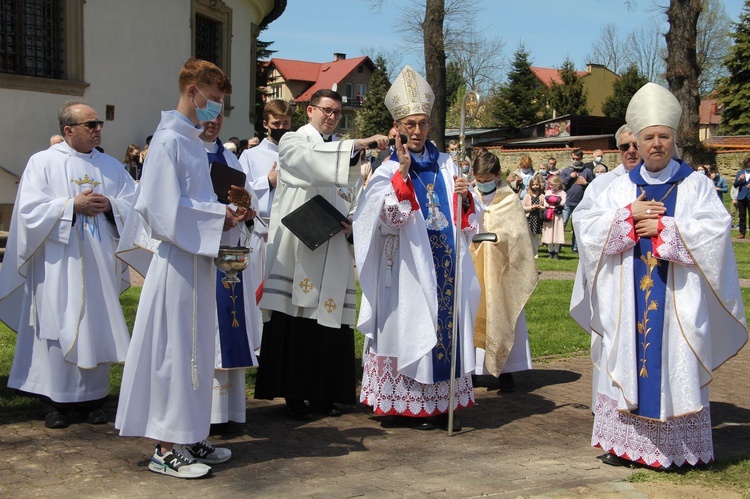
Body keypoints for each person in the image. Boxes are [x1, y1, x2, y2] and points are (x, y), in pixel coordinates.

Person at [574, 82, 747, 470]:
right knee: (624, 357)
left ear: (673, 138)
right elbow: (584, 226)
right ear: (637, 139)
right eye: (648, 137)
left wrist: (666, 230)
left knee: (674, 361)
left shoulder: (696, 185)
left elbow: (716, 233)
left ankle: (673, 450)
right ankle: (624, 445)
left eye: (663, 137)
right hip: (625, 296)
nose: (655, 144)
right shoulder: (617, 186)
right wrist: (627, 219)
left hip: (677, 301)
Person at [115, 58, 251, 479]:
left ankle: (191, 433)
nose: (215, 110)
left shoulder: (191, 141)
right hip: (177, 264)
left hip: (200, 260)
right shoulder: (168, 141)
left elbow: (194, 201)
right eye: (212, 100)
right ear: (192, 91)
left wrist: (227, 213)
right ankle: (164, 446)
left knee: (198, 351)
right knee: (176, 352)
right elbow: (158, 209)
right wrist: (217, 217)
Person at [353, 65, 478, 431]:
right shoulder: (385, 169)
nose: (418, 131)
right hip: (404, 268)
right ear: (397, 127)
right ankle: (402, 404)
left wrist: (465, 198)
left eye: (423, 123)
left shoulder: (447, 164)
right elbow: (385, 219)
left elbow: (468, 218)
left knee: (442, 326)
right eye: (410, 124)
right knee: (407, 326)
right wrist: (403, 179)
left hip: (446, 264)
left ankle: (437, 403)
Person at [254, 88, 389, 420]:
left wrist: (353, 224)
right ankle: (294, 393)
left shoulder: (341, 154)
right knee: (297, 320)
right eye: (326, 110)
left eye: (337, 113)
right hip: (298, 247)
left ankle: (323, 392)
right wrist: (359, 143)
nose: (331, 117)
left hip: (332, 246)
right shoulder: (293, 142)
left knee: (328, 323)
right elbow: (311, 163)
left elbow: (354, 196)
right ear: (310, 111)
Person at [0, 101, 136, 429]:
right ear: (68, 131)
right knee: (55, 323)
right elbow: (28, 213)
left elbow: (136, 205)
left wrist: (112, 206)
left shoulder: (112, 166)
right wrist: (70, 206)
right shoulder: (42, 163)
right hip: (57, 262)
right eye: (90, 125)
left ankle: (95, 399)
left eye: (99, 123)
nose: (98, 129)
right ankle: (54, 402)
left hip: (99, 261)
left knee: (96, 323)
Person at [570, 124, 641, 409]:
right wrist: (626, 218)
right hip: (612, 277)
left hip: (649, 277)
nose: (632, 151)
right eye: (625, 147)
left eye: (636, 145)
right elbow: (582, 224)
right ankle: (607, 410)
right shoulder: (603, 183)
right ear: (617, 149)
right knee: (610, 342)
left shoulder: (661, 181)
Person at [199, 112, 261, 428]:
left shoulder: (232, 161)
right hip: (198, 259)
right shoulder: (185, 155)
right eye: (208, 117)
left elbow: (244, 201)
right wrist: (215, 215)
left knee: (229, 325)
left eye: (220, 117)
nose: (214, 123)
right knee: (204, 331)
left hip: (229, 255)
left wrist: (247, 212)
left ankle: (227, 412)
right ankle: (201, 414)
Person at [470, 151, 535, 394]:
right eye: (479, 178)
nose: (482, 182)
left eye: (487, 178)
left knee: (503, 312)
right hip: (474, 264)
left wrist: (499, 240)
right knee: (472, 314)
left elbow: (518, 235)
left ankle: (506, 370)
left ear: (498, 175)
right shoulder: (469, 197)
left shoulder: (509, 200)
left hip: (501, 269)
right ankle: (474, 370)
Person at [238, 99, 293, 299]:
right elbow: (239, 194)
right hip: (260, 233)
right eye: (276, 124)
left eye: (286, 124)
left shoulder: (297, 154)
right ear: (265, 124)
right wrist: (267, 182)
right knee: (256, 294)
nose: (281, 128)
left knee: (283, 294)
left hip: (289, 233)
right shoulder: (250, 156)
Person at [560, 148, 594, 253]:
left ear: (581, 158)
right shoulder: (566, 170)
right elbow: (560, 185)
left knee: (577, 226)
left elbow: (593, 186)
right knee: (563, 223)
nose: (575, 160)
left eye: (577, 158)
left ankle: (575, 247)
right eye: (573, 158)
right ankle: (558, 247)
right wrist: (570, 177)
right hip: (567, 202)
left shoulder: (587, 171)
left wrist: (585, 183)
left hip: (580, 202)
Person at [541, 175, 566, 259]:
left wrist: (552, 200)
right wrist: (556, 200)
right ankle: (550, 252)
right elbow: (546, 204)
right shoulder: (548, 192)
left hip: (558, 215)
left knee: (557, 232)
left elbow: (563, 203)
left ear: (558, 184)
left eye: (552, 185)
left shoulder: (562, 193)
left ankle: (556, 252)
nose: (551, 187)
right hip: (549, 214)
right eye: (550, 185)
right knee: (549, 232)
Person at [522, 174, 545, 257]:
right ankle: (528, 251)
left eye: (537, 184)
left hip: (537, 217)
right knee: (528, 235)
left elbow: (545, 207)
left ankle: (535, 251)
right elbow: (523, 207)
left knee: (535, 235)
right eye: (534, 184)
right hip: (529, 217)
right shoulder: (527, 196)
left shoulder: (542, 196)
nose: (535, 186)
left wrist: (539, 207)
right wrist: (531, 207)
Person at [733, 157, 750, 238]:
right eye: (747, 166)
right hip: (742, 197)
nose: (748, 167)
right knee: (742, 216)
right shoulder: (740, 173)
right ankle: (742, 233)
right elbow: (735, 185)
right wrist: (739, 179)